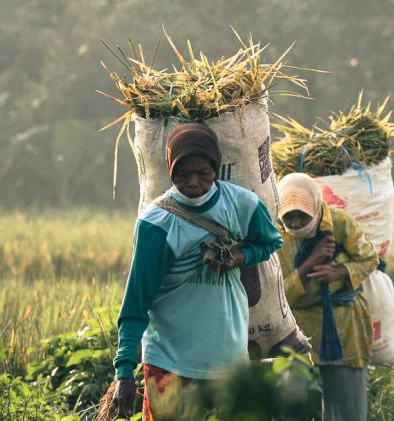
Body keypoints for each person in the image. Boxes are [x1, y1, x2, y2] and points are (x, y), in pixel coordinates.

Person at [109, 124, 282, 420]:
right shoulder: (157, 223)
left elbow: (271, 241)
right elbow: (136, 303)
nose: (193, 183)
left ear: (216, 169)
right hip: (169, 363)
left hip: (228, 363)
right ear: (169, 170)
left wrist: (242, 255)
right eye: (182, 174)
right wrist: (124, 372)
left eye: (203, 174)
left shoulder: (242, 205)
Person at [275, 173, 378, 421]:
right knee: (290, 401)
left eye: (303, 215)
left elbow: (369, 258)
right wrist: (311, 262)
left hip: (344, 327)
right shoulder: (277, 238)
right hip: (298, 330)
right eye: (290, 216)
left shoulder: (340, 223)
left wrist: (338, 271)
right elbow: (282, 294)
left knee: (347, 407)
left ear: (316, 207)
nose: (297, 222)